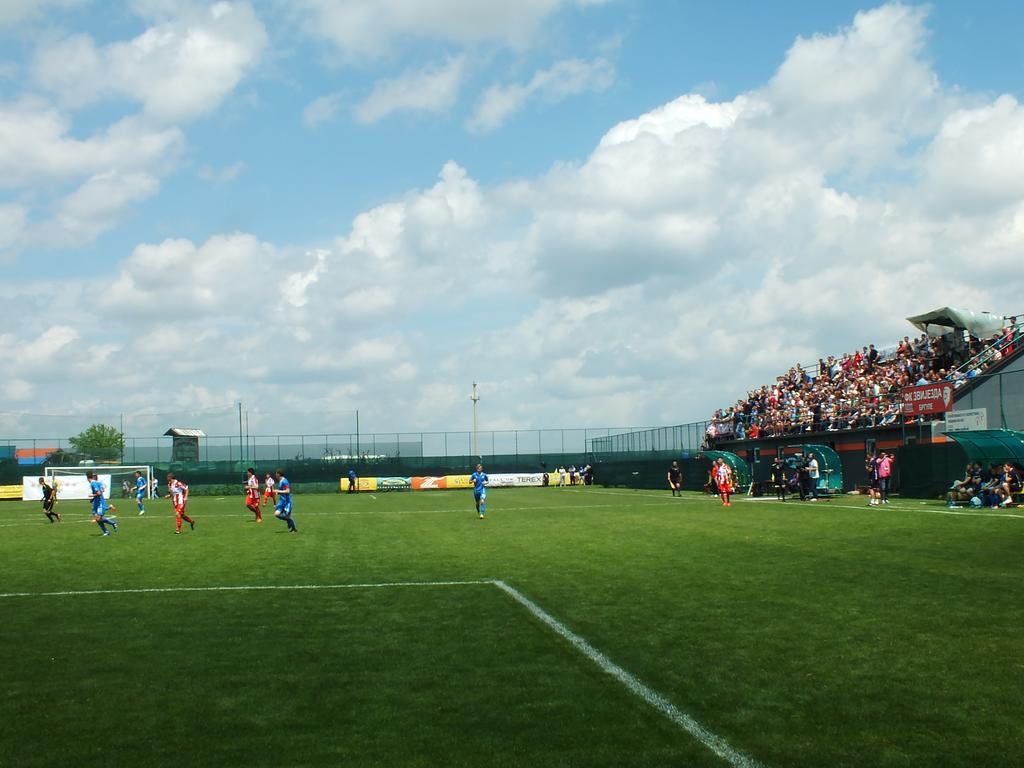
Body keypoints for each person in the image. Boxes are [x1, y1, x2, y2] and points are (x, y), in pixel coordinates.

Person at [87, 471, 118, 536]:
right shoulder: (97, 483)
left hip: (100, 502)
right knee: (98, 520)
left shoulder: (93, 483)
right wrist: (93, 499)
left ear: (87, 478)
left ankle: (112, 523)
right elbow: (101, 490)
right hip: (96, 502)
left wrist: (92, 496)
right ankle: (106, 531)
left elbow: (99, 493)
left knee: (98, 518)